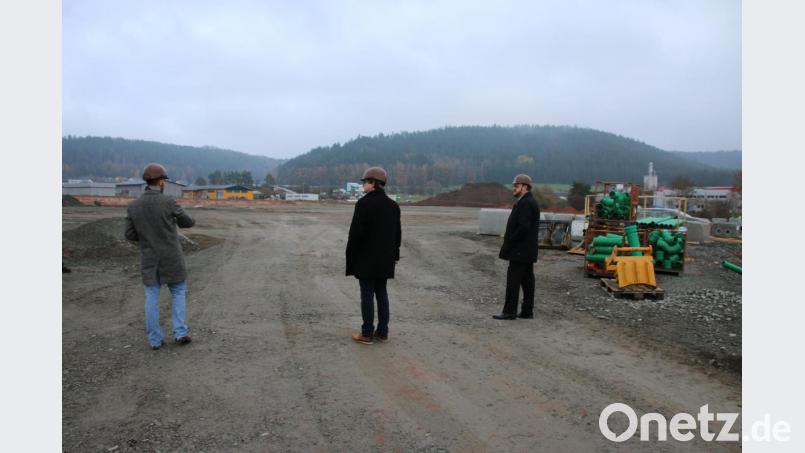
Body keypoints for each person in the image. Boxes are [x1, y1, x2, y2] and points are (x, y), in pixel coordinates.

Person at [125, 163, 196, 349]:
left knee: (151, 297)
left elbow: (129, 235)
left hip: (149, 259)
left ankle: (155, 340)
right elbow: (187, 222)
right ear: (162, 181)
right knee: (179, 292)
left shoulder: (133, 206)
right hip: (172, 258)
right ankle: (180, 333)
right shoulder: (169, 202)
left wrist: (147, 236)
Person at [346, 166, 402, 344]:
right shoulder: (393, 206)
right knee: (382, 294)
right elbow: (397, 235)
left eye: (365, 182)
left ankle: (367, 333)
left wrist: (351, 256)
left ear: (373, 183)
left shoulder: (363, 204)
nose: (363, 185)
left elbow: (355, 234)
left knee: (367, 295)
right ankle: (383, 332)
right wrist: (395, 255)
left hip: (366, 259)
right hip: (385, 259)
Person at [494, 174, 541, 320]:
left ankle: (509, 312)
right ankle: (527, 311)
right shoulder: (529, 201)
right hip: (527, 251)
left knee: (513, 281)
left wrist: (511, 240)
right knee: (527, 281)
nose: (514, 188)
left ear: (524, 187)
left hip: (520, 251)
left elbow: (523, 228)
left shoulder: (526, 203)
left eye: (516, 186)